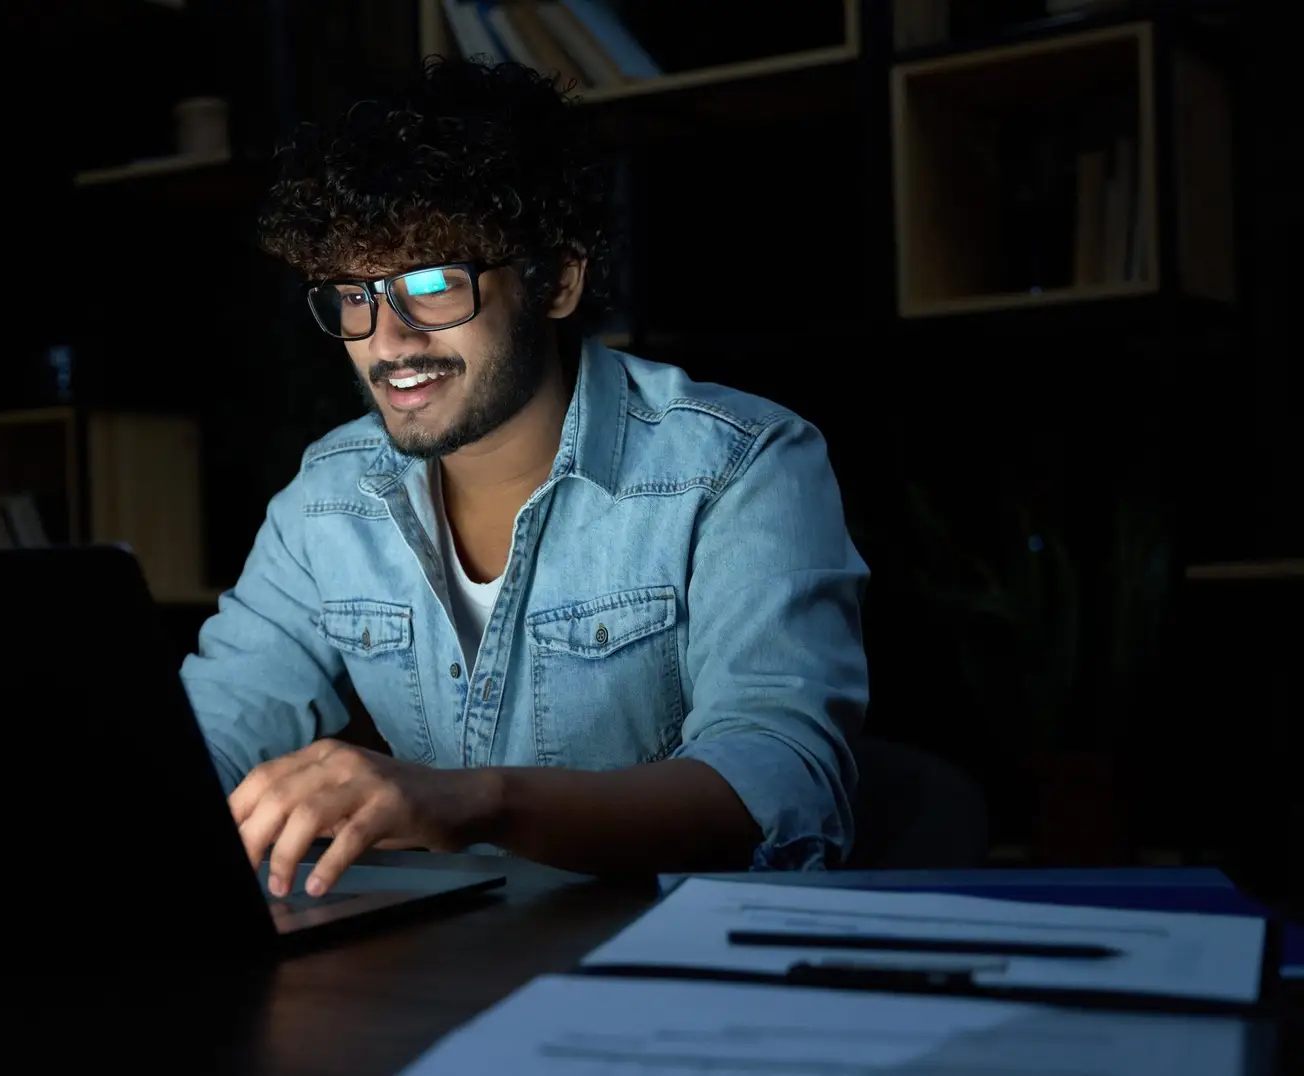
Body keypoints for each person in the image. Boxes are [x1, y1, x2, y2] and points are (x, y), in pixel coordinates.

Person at [179, 58, 869, 899]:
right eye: (354, 296)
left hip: (665, 972)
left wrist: (477, 802)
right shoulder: (328, 496)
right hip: (434, 973)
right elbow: (210, 735)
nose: (388, 340)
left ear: (557, 280)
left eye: (433, 285)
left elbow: (780, 785)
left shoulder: (738, 463)